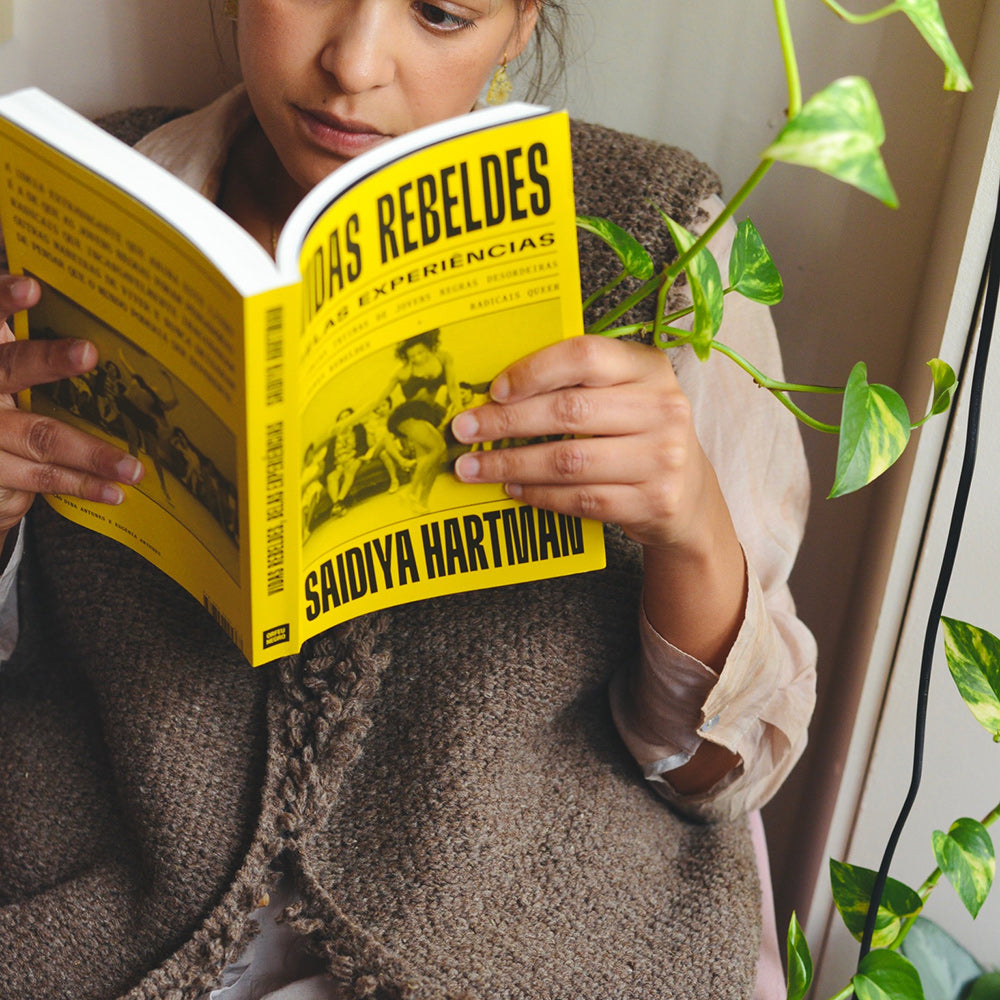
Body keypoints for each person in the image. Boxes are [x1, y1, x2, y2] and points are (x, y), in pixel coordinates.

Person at [0, 3, 816, 999]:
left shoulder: (659, 238)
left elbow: (723, 775)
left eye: (439, 13)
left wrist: (690, 528)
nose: (352, 62)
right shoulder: (71, 197)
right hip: (110, 926)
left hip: (523, 943)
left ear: (519, 24)